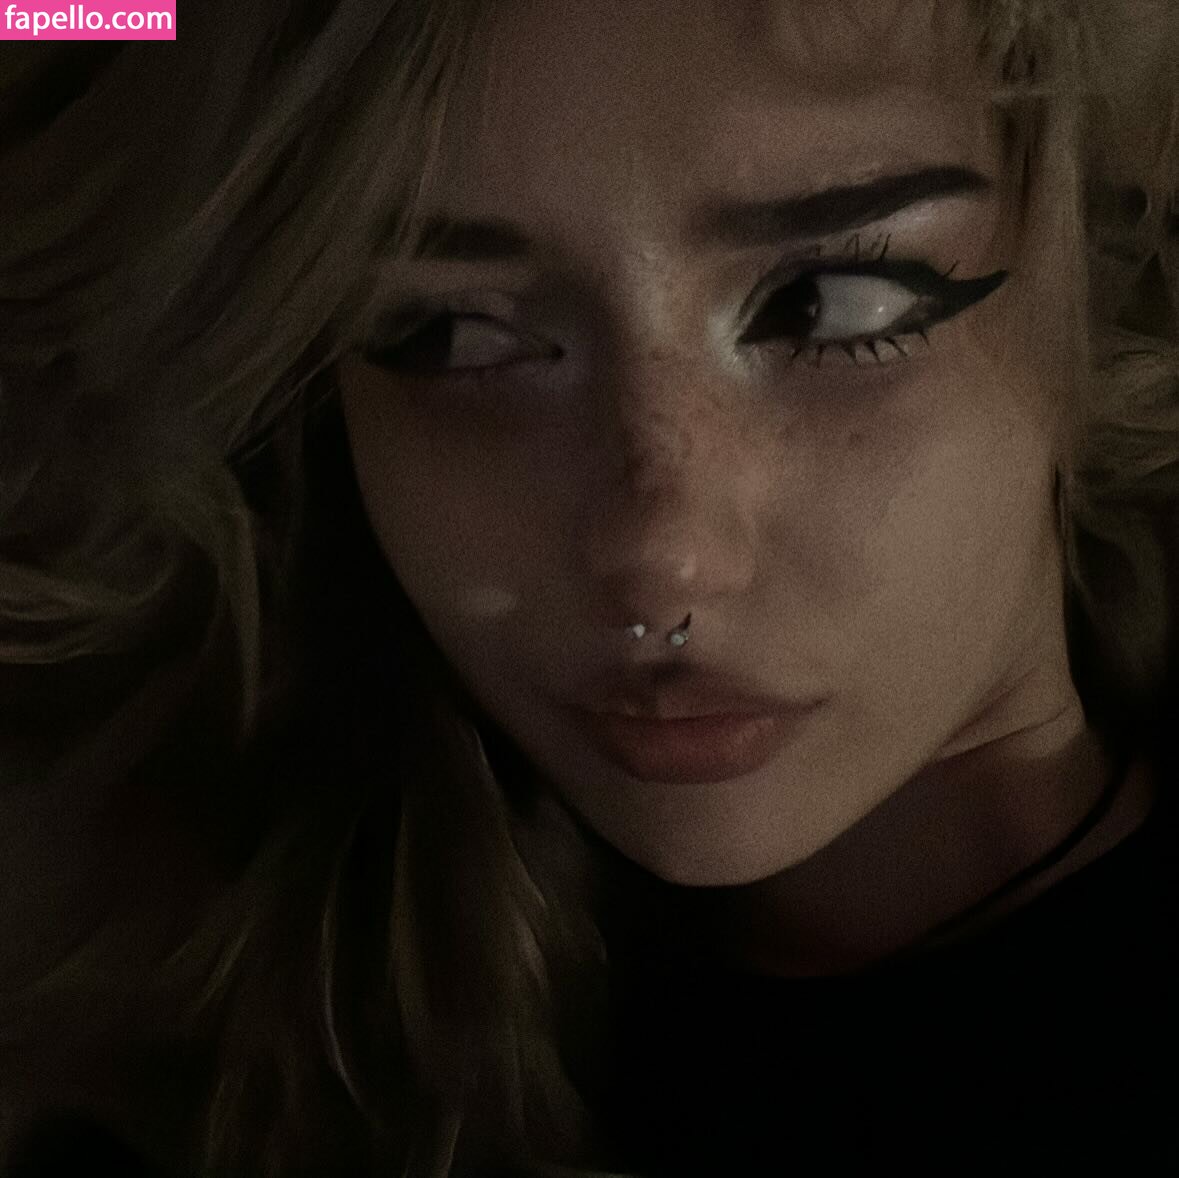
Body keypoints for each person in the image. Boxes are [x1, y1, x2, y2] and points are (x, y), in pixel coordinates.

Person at [1, 1, 1177, 1174]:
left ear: (1094, 264)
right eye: (454, 332)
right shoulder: (224, 1023)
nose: (661, 555)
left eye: (831, 304)